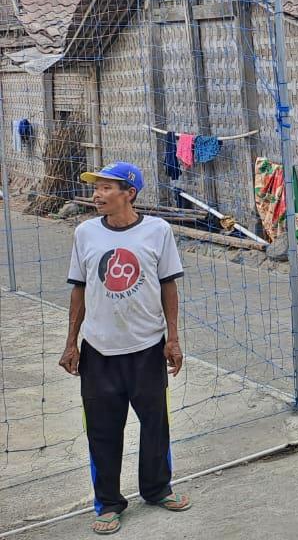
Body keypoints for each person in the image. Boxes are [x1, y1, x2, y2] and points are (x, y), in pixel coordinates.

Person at [58, 162, 191, 535]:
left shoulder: (157, 232)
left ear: (129, 193)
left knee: (155, 425)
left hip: (147, 348)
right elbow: (79, 289)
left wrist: (173, 338)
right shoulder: (85, 233)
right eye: (95, 188)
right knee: (102, 430)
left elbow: (169, 286)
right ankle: (109, 503)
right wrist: (72, 342)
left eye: (105, 188)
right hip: (98, 352)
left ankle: (157, 489)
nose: (97, 195)